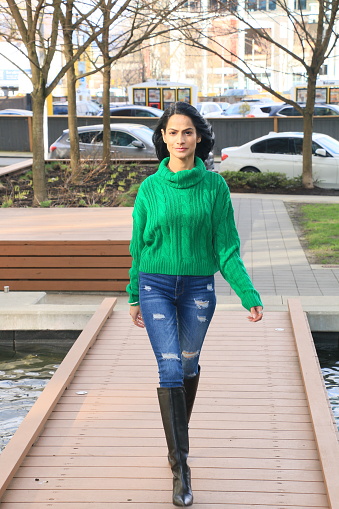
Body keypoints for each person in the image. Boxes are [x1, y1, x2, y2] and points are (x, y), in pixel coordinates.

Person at [127, 101, 263, 507]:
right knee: (169, 366)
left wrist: (247, 293)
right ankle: (180, 468)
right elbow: (138, 245)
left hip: (198, 291)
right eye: (173, 132)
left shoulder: (215, 188)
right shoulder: (150, 189)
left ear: (198, 137)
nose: (181, 139)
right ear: (163, 138)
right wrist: (133, 293)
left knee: (187, 364)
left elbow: (227, 247)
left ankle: (177, 436)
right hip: (155, 286)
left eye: (188, 132)